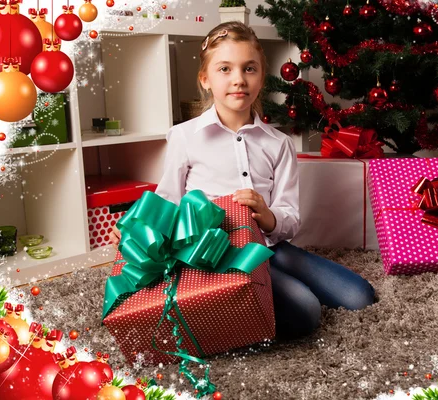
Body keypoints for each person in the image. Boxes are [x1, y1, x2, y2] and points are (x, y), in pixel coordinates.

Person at [110, 21, 375, 339]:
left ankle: (267, 286)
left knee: (359, 297)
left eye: (249, 69)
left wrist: (267, 216)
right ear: (206, 79)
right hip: (219, 255)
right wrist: (137, 231)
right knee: (305, 311)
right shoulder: (184, 137)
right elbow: (168, 199)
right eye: (225, 69)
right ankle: (247, 306)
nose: (238, 79)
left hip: (272, 246)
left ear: (262, 77)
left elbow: (290, 217)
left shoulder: (279, 144)